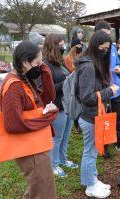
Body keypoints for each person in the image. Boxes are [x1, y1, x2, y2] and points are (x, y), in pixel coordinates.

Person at [1, 41, 58, 198]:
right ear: (24, 62)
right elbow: (12, 124)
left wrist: (45, 72)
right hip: (29, 147)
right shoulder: (14, 86)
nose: (40, 65)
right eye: (37, 62)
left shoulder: (25, 78)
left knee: (38, 188)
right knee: (43, 191)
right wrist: (45, 118)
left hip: (34, 142)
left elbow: (48, 98)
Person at [75, 30, 118, 198]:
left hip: (94, 116)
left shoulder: (92, 63)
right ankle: (89, 185)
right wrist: (109, 91)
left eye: (108, 48)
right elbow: (87, 97)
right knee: (90, 152)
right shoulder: (87, 66)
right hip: (89, 117)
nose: (106, 51)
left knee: (93, 151)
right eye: (103, 48)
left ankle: (93, 179)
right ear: (95, 45)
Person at [94, 19, 120, 154]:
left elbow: (117, 62)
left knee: (118, 116)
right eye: (105, 33)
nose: (107, 37)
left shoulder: (111, 48)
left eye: (109, 34)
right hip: (104, 90)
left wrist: (118, 67)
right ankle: (104, 145)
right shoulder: (95, 51)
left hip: (116, 88)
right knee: (104, 117)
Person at [43, 34, 78, 178]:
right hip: (57, 106)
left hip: (68, 104)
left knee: (66, 136)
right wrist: (66, 82)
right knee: (56, 138)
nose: (63, 48)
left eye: (64, 44)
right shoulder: (45, 65)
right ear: (53, 46)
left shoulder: (60, 62)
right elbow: (46, 89)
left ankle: (63, 159)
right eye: (61, 45)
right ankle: (53, 165)